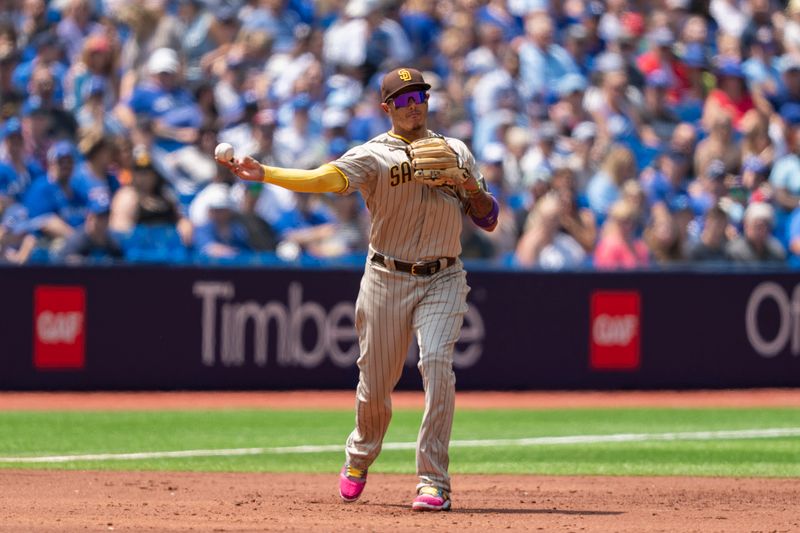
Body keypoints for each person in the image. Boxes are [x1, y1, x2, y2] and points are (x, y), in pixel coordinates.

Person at [216, 67, 498, 512]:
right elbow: (323, 179)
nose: (414, 105)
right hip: (387, 276)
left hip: (444, 275)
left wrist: (467, 184)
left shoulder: (455, 150)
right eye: (403, 100)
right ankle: (360, 454)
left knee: (438, 363)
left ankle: (433, 481)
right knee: (375, 386)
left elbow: (488, 217)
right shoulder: (373, 156)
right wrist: (265, 172)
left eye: (419, 96)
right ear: (386, 108)